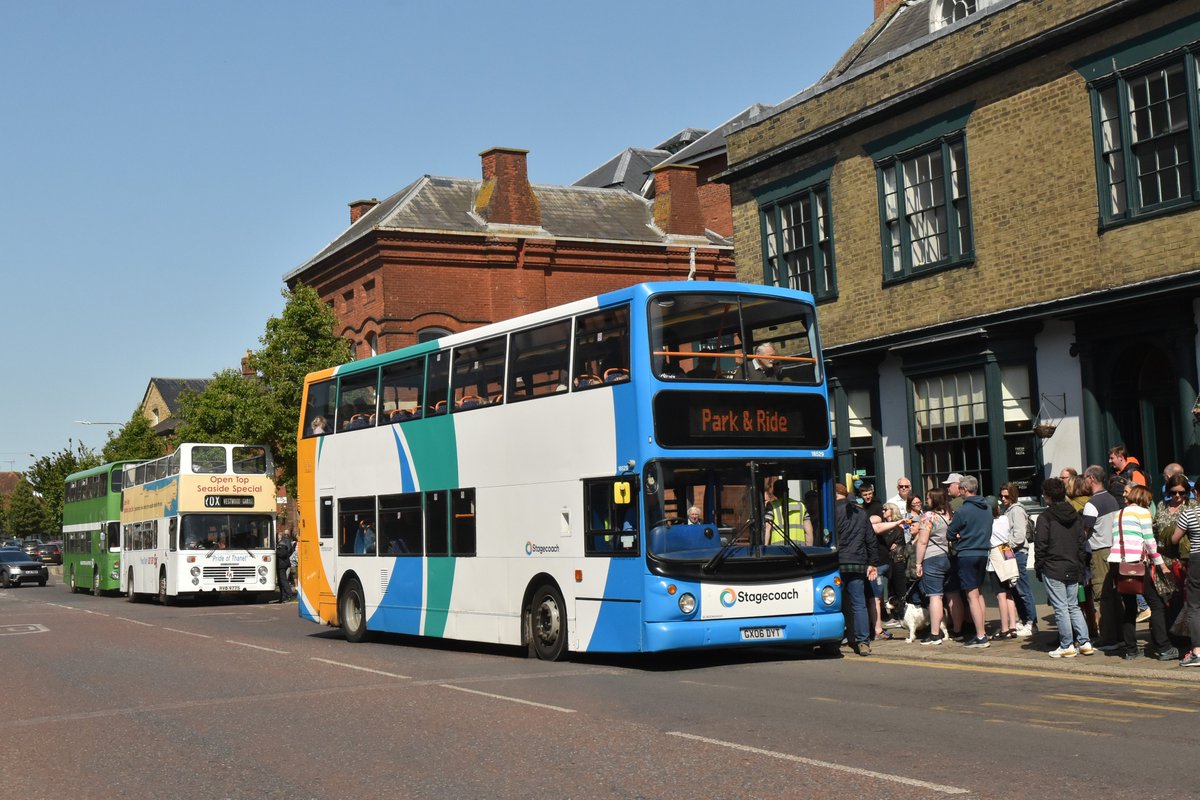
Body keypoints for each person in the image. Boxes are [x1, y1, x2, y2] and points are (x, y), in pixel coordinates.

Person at [1110, 484, 1176, 661]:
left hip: (1117, 563)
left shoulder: (1119, 513)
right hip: (1136, 563)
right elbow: (1149, 542)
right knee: (1156, 604)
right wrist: (1162, 565)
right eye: (1148, 501)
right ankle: (1164, 647)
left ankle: (1131, 650)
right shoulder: (1142, 513)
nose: (1149, 504)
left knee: (1130, 607)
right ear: (1143, 499)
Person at [1032, 478, 1092, 657]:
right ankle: (1085, 642)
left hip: (1054, 566)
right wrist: (1081, 565)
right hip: (1073, 565)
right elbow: (1081, 542)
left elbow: (1041, 544)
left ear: (1047, 496)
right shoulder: (1074, 514)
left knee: (1061, 607)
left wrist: (1039, 565)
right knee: (1072, 605)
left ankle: (1067, 645)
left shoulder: (1045, 517)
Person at [946, 475, 992, 647]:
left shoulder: (963, 510)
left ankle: (980, 636)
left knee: (971, 596)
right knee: (979, 594)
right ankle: (982, 631)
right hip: (983, 552)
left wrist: (959, 534)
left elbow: (950, 534)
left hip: (967, 553)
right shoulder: (987, 507)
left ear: (964, 490)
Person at [913, 488, 963, 645]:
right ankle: (958, 631)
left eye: (928, 498)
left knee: (935, 596)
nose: (926, 501)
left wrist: (918, 563)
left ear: (934, 500)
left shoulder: (928, 516)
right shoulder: (951, 515)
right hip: (950, 557)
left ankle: (935, 634)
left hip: (933, 558)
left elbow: (922, 541)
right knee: (953, 595)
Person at [835, 483, 878, 656]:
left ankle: (841, 637)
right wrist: (872, 563)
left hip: (837, 563)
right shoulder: (862, 513)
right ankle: (863, 642)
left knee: (836, 603)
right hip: (858, 562)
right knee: (859, 603)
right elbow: (871, 540)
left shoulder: (831, 512)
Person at [999, 482, 1037, 637]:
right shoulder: (1008, 510)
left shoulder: (1017, 510)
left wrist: (1005, 545)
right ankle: (1023, 620)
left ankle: (1032, 622)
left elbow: (1019, 536)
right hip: (1010, 552)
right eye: (1001, 495)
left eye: (1006, 495)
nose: (1002, 498)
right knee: (1014, 588)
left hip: (1018, 552)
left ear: (1013, 494)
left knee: (1022, 588)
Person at [1170, 493, 1200, 666]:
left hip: (1197, 559)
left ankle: (1197, 651)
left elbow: (1174, 538)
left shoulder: (1189, 513)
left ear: (1196, 493)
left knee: (1195, 606)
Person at [987, 501, 1021, 641]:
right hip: (1007, 551)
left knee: (1000, 595)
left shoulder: (989, 524)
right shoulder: (1004, 519)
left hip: (995, 555)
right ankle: (1013, 626)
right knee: (1009, 592)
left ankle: (1004, 628)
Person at [765, 480, 811, 544]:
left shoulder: (772, 506)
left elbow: (767, 527)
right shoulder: (801, 506)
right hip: (800, 550)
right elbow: (808, 532)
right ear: (788, 491)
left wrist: (764, 549)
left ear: (775, 492)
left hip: (778, 551)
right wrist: (808, 551)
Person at [275, 530, 294, 602]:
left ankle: (289, 594)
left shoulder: (282, 544)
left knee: (283, 580)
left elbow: (282, 554)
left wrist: (276, 552)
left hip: (281, 564)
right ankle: (283, 597)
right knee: (281, 581)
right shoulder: (284, 542)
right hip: (282, 564)